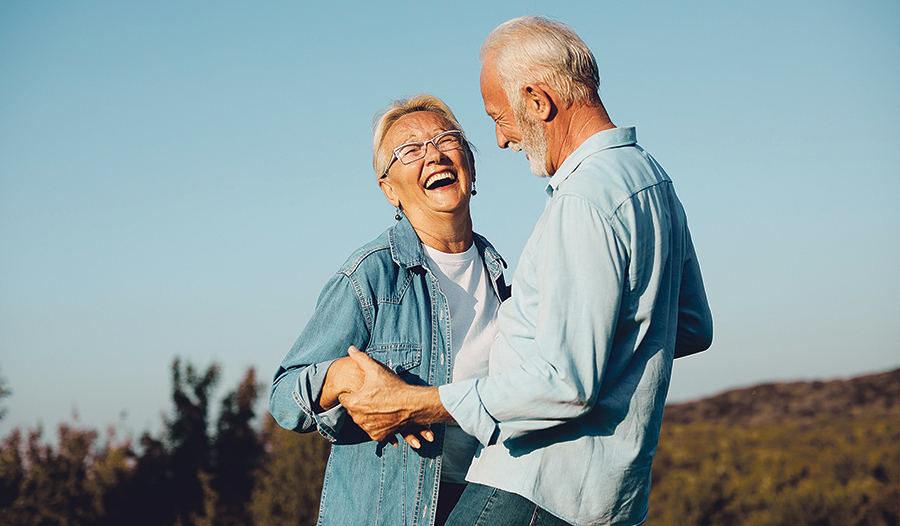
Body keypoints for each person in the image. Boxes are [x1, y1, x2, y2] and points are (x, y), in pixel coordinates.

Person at [338, 16, 714, 526]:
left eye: (500, 117)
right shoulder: (651, 179)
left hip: (532, 489)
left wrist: (415, 403)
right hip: (613, 498)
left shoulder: (583, 200)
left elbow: (565, 384)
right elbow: (690, 326)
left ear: (538, 101)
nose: (500, 139)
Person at [269, 94, 510, 526]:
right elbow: (284, 396)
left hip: (485, 503)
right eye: (410, 150)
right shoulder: (371, 275)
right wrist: (342, 376)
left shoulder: (504, 280)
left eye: (446, 139)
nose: (434, 155)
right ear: (389, 190)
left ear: (471, 165)